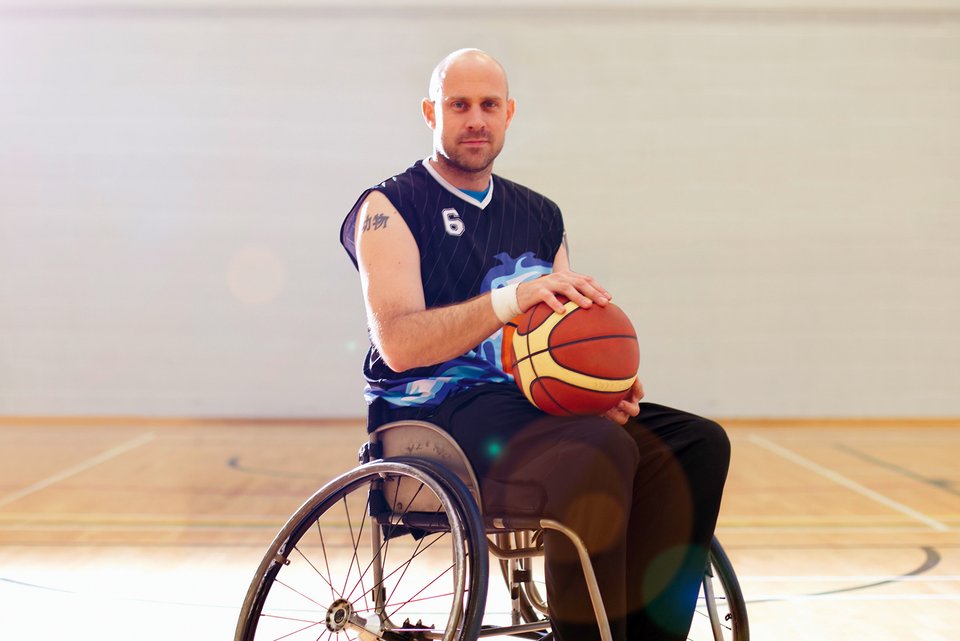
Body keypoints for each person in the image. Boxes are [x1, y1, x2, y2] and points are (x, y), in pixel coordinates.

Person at [340, 48, 730, 641]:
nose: (475, 119)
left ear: (508, 113)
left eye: (488, 105)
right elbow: (396, 343)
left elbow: (566, 335)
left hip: (533, 411)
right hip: (435, 419)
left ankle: (651, 633)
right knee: (599, 447)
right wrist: (509, 301)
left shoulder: (541, 215)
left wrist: (604, 383)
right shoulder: (389, 207)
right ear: (430, 112)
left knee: (694, 443)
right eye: (459, 104)